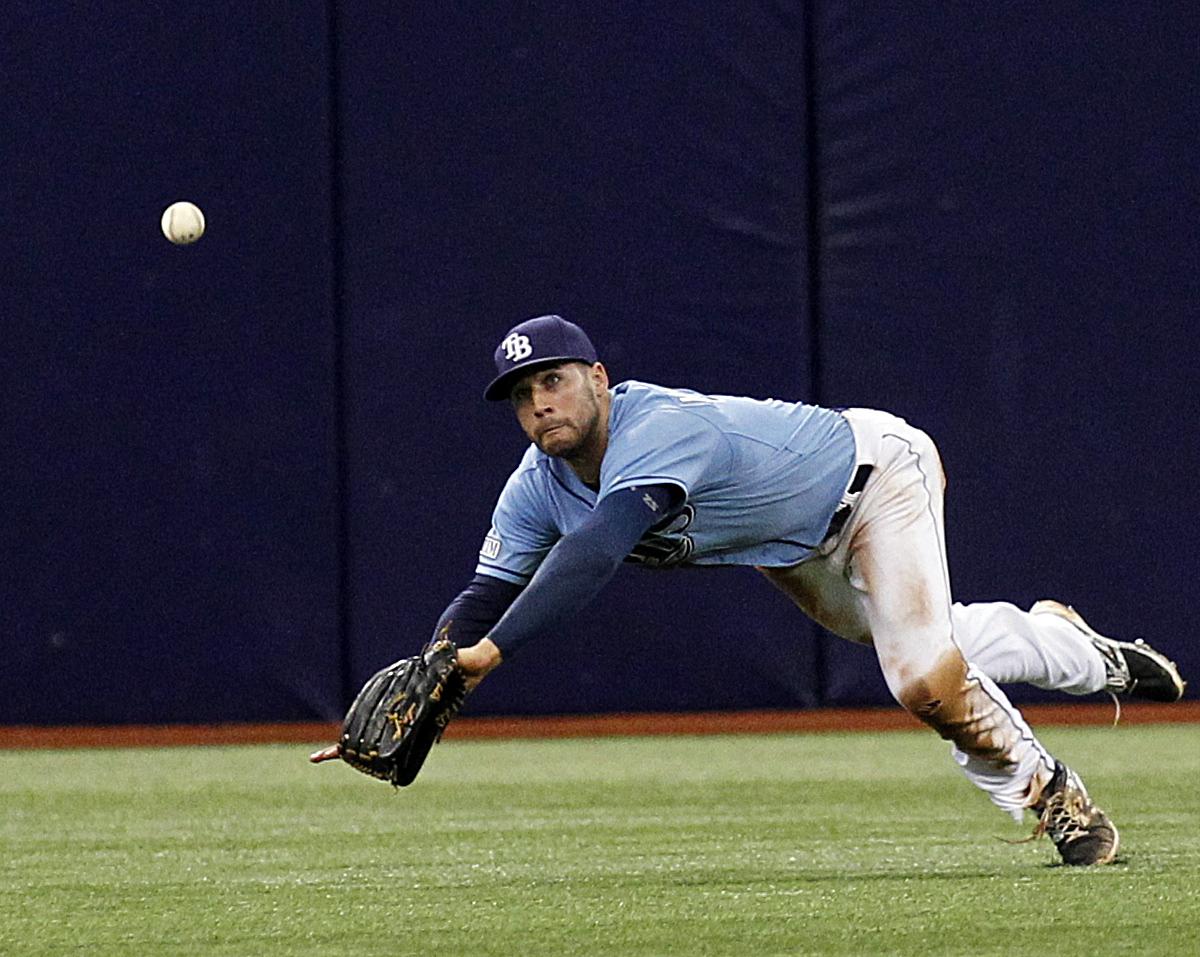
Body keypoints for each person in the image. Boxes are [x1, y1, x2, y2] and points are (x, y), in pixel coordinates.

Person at [443, 314, 1184, 866]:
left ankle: (1056, 798)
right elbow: (486, 590)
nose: (540, 402)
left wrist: (493, 652)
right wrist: (435, 664)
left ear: (597, 379)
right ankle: (1075, 650)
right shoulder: (537, 484)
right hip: (790, 545)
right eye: (521, 393)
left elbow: (596, 550)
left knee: (923, 679)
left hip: (875, 478)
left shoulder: (655, 426)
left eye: (554, 379)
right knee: (919, 646)